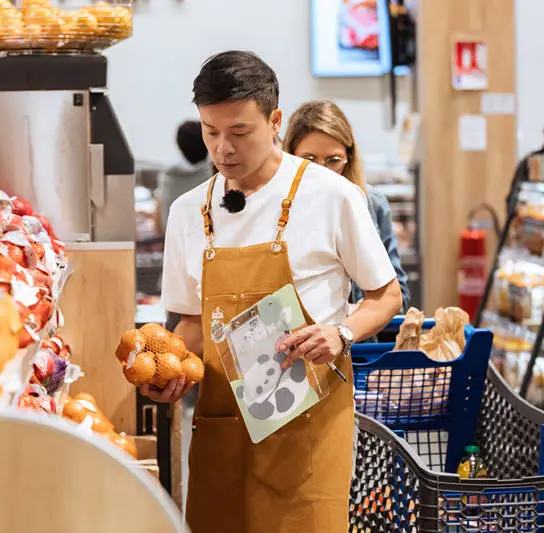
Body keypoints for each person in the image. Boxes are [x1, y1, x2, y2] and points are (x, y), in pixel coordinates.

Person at [150, 51, 402, 533]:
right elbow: (190, 325)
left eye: (239, 132)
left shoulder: (332, 196)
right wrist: (167, 369)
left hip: (308, 432)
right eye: (211, 131)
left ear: (275, 121)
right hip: (224, 429)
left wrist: (342, 333)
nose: (223, 149)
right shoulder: (187, 213)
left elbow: (386, 295)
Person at [284, 99, 411, 312]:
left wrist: (357, 315)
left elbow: (400, 298)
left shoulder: (372, 204)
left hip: (360, 342)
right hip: (297, 340)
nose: (321, 171)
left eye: (333, 160)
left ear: (349, 159)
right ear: (290, 157)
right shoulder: (277, 208)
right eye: (309, 159)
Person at [155, 120, 212, 233]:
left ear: (179, 145)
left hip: (175, 238)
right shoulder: (216, 174)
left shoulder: (168, 177)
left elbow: (160, 223)